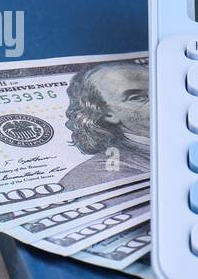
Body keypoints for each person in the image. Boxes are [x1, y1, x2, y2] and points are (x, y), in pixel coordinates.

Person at [60, 60, 150, 188]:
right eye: (137, 98)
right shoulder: (96, 176)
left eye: (160, 88)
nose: (161, 99)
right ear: (107, 113)